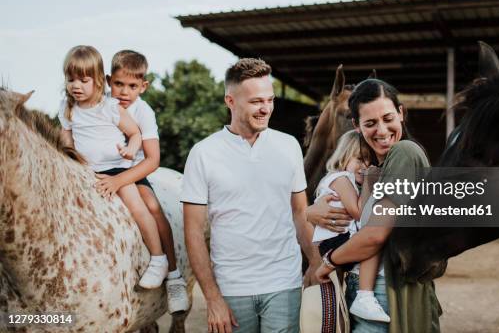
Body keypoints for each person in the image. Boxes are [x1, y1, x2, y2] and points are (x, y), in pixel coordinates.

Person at [182, 58, 320, 333]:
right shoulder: (203, 153)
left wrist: (315, 261)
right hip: (231, 289)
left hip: (284, 284)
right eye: (256, 101)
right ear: (230, 101)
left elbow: (299, 212)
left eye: (269, 100)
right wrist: (212, 298)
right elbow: (194, 232)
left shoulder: (289, 146)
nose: (266, 108)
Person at [308, 78, 442, 333]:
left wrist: (327, 263)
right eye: (370, 123)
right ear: (356, 126)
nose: (381, 130)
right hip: (368, 289)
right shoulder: (374, 171)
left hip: (388, 292)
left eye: (388, 118)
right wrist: (311, 212)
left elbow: (374, 235)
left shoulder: (404, 153)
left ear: (401, 113)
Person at [58, 45, 168, 290]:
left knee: (139, 206)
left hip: (117, 169)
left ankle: (159, 259)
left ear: (98, 81)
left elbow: (135, 133)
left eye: (83, 80)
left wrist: (131, 150)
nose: (76, 85)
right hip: (87, 171)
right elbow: (67, 143)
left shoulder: (109, 106)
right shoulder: (67, 108)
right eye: (70, 79)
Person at [93, 50, 190, 313]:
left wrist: (120, 181)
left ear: (143, 87)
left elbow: (152, 160)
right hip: (99, 169)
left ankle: (173, 275)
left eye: (133, 86)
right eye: (119, 84)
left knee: (154, 207)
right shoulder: (98, 103)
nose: (125, 91)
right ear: (107, 80)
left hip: (133, 172)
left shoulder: (143, 112)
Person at [312, 130, 390, 323]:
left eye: (369, 161)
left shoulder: (353, 183)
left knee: (371, 237)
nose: (365, 166)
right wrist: (372, 182)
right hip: (335, 242)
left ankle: (364, 295)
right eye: (360, 159)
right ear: (344, 156)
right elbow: (359, 212)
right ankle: (364, 296)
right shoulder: (340, 178)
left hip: (340, 242)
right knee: (372, 239)